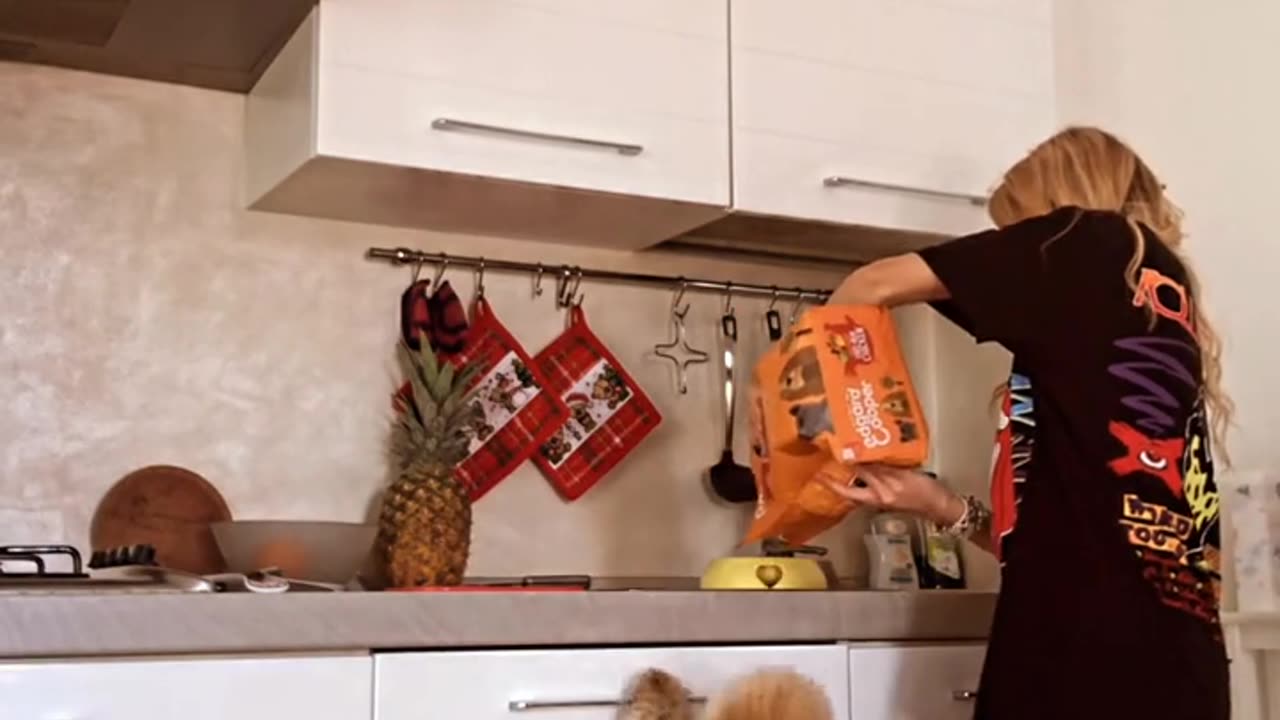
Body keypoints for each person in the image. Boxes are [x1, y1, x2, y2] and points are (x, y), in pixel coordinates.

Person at [822, 127, 1231, 720]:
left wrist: (802, 401)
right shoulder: (1155, 305)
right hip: (1172, 668)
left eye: (1016, 226)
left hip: (1083, 663)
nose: (1008, 245)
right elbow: (1083, 536)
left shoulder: (1088, 239)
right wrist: (941, 506)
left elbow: (871, 285)